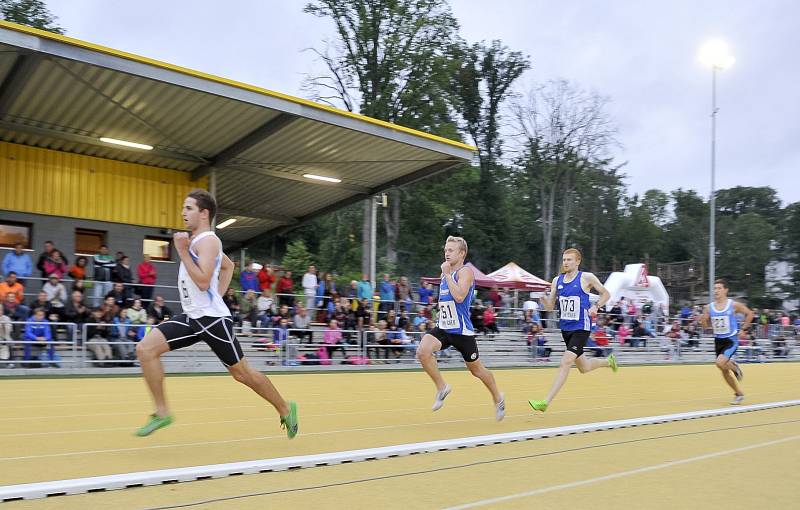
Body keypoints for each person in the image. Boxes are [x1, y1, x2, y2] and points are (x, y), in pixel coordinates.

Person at [134, 189, 297, 438]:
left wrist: (183, 252)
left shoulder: (209, 241)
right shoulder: (199, 242)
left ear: (204, 213)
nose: (182, 213)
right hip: (192, 316)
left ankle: (286, 408)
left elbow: (201, 281)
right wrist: (216, 294)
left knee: (242, 374)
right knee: (145, 349)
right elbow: (228, 267)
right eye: (183, 208)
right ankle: (162, 412)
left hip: (211, 320)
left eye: (188, 208)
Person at [415, 236, 505, 421]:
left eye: (451, 250)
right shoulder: (444, 273)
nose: (446, 253)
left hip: (462, 331)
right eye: (446, 250)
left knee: (477, 370)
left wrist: (447, 275)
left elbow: (459, 297)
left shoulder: (465, 272)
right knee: (423, 351)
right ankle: (442, 387)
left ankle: (498, 397)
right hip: (444, 328)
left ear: (461, 253)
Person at [529, 248, 618, 413]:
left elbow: (606, 294)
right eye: (564, 260)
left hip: (581, 327)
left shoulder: (586, 278)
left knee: (565, 362)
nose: (566, 263)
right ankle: (609, 361)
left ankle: (545, 402)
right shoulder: (557, 280)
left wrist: (596, 306)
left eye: (569, 260)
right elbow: (550, 307)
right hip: (566, 329)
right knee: (584, 368)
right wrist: (543, 300)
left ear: (578, 261)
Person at [700, 279, 753, 405]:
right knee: (723, 369)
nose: (716, 291)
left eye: (719, 288)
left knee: (719, 363)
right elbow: (705, 325)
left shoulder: (733, 304)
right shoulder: (709, 307)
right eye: (715, 288)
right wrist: (704, 319)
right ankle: (738, 394)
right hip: (718, 341)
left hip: (731, 340)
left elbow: (750, 314)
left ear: (726, 290)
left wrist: (744, 329)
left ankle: (734, 367)